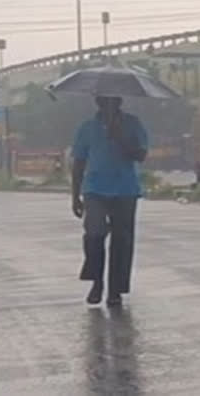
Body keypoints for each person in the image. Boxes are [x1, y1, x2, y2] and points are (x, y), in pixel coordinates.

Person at [71, 95, 149, 307]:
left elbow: (141, 155)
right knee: (94, 234)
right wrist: (75, 196)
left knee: (122, 242)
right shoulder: (87, 128)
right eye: (103, 101)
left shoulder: (134, 124)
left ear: (120, 102)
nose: (108, 105)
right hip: (94, 189)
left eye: (113, 101)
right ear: (97, 102)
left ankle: (116, 290)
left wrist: (120, 137)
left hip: (125, 189)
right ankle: (96, 281)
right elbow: (78, 162)